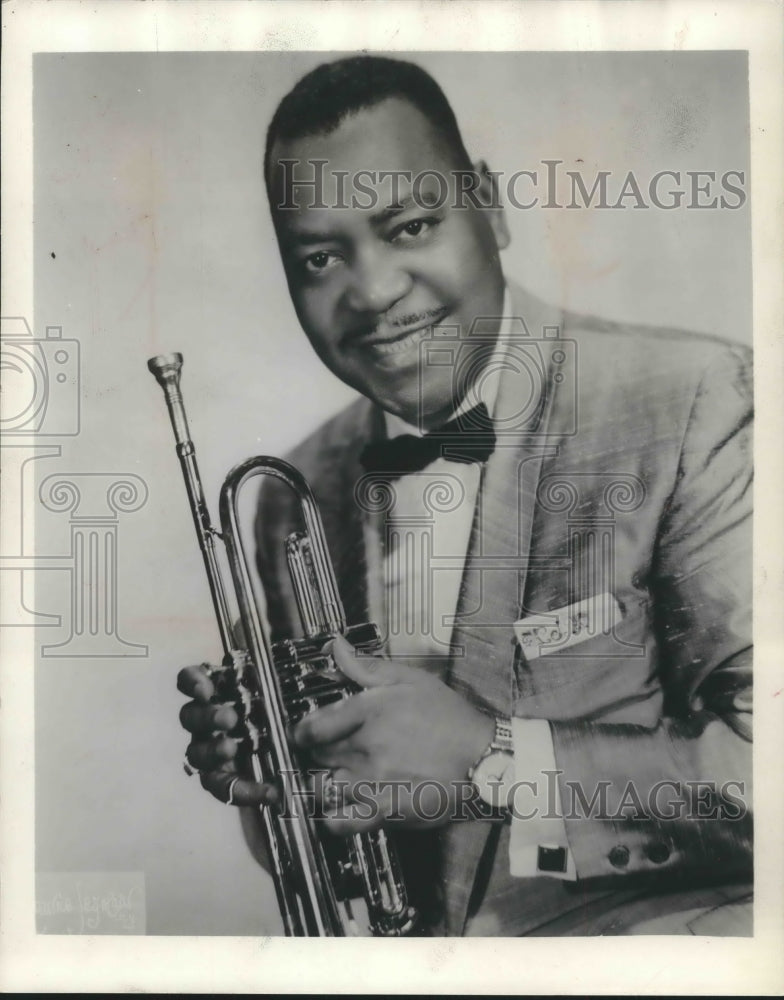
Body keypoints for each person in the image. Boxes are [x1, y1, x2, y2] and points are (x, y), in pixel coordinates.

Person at [177, 55, 753, 936]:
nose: (372, 293)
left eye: (409, 226)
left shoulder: (693, 398)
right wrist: (277, 775)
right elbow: (359, 859)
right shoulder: (296, 493)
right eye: (322, 257)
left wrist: (494, 762)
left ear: (489, 203)